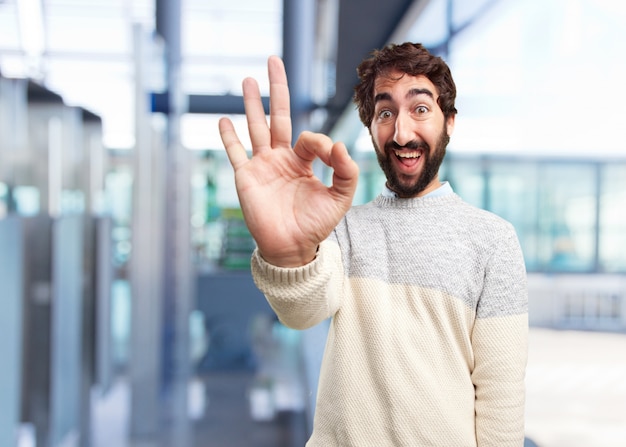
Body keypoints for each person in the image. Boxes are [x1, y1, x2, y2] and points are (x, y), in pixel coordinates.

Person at [218, 42, 528, 447]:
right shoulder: (341, 227)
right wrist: (289, 253)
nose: (401, 132)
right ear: (370, 127)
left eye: (420, 109)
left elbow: (501, 400)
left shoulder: (493, 240)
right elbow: (301, 312)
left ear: (449, 122)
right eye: (385, 113)